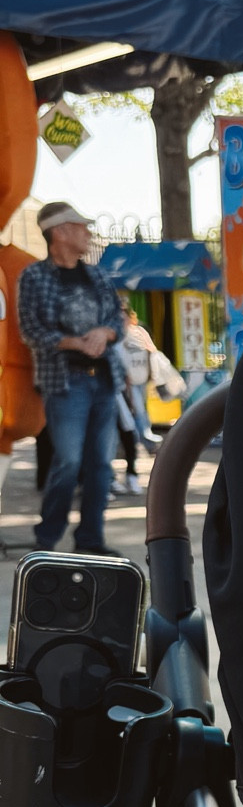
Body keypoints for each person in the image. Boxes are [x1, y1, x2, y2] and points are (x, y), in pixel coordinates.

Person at [17, 201, 127, 554]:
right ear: (60, 232)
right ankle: (47, 538)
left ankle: (90, 540)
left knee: (101, 465)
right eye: (81, 227)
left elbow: (117, 320)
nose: (87, 233)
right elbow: (31, 330)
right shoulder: (34, 277)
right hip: (66, 383)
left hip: (104, 379)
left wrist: (104, 334)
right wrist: (73, 341)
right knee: (68, 462)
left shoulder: (95, 274)